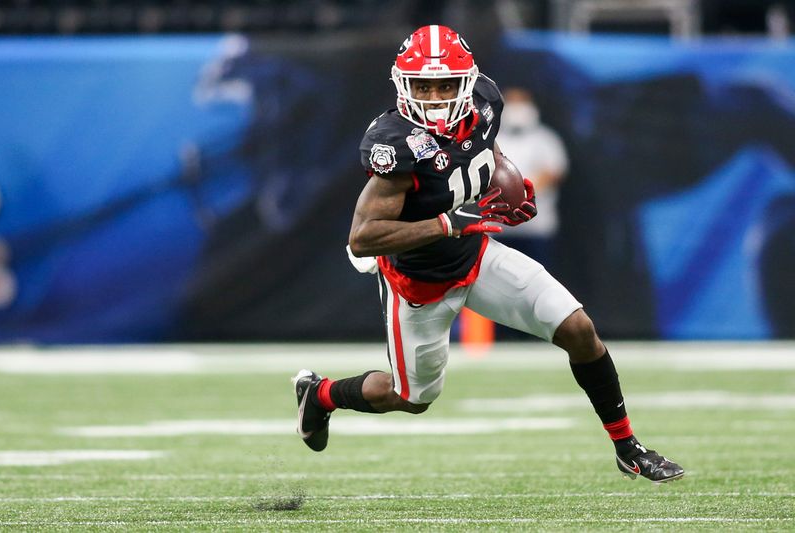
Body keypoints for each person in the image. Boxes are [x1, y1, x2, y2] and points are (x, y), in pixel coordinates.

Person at [293, 25, 684, 483]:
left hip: (476, 258)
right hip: (419, 285)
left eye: (445, 84)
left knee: (578, 328)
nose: (435, 96)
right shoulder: (393, 142)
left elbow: (486, 150)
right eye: (423, 85)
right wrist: (447, 222)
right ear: (403, 84)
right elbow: (363, 238)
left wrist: (510, 179)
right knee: (410, 397)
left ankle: (628, 447)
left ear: (467, 81)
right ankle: (319, 395)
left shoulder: (485, 101)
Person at [496, 87, 568, 268]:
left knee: (536, 284)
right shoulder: (491, 138)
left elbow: (553, 173)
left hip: (536, 228)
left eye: (521, 103)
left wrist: (518, 194)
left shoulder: (545, 138)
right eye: (512, 102)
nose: (517, 108)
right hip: (498, 229)